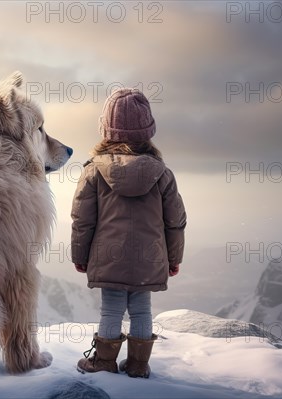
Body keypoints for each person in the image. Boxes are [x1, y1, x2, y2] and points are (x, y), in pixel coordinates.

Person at [71, 88, 187, 378]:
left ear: (107, 131)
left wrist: (80, 255)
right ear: (148, 132)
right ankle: (138, 365)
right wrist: (173, 258)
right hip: (149, 258)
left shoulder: (93, 171)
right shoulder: (163, 173)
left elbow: (82, 220)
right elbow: (175, 222)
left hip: (109, 256)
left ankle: (104, 362)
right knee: (141, 309)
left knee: (111, 310)